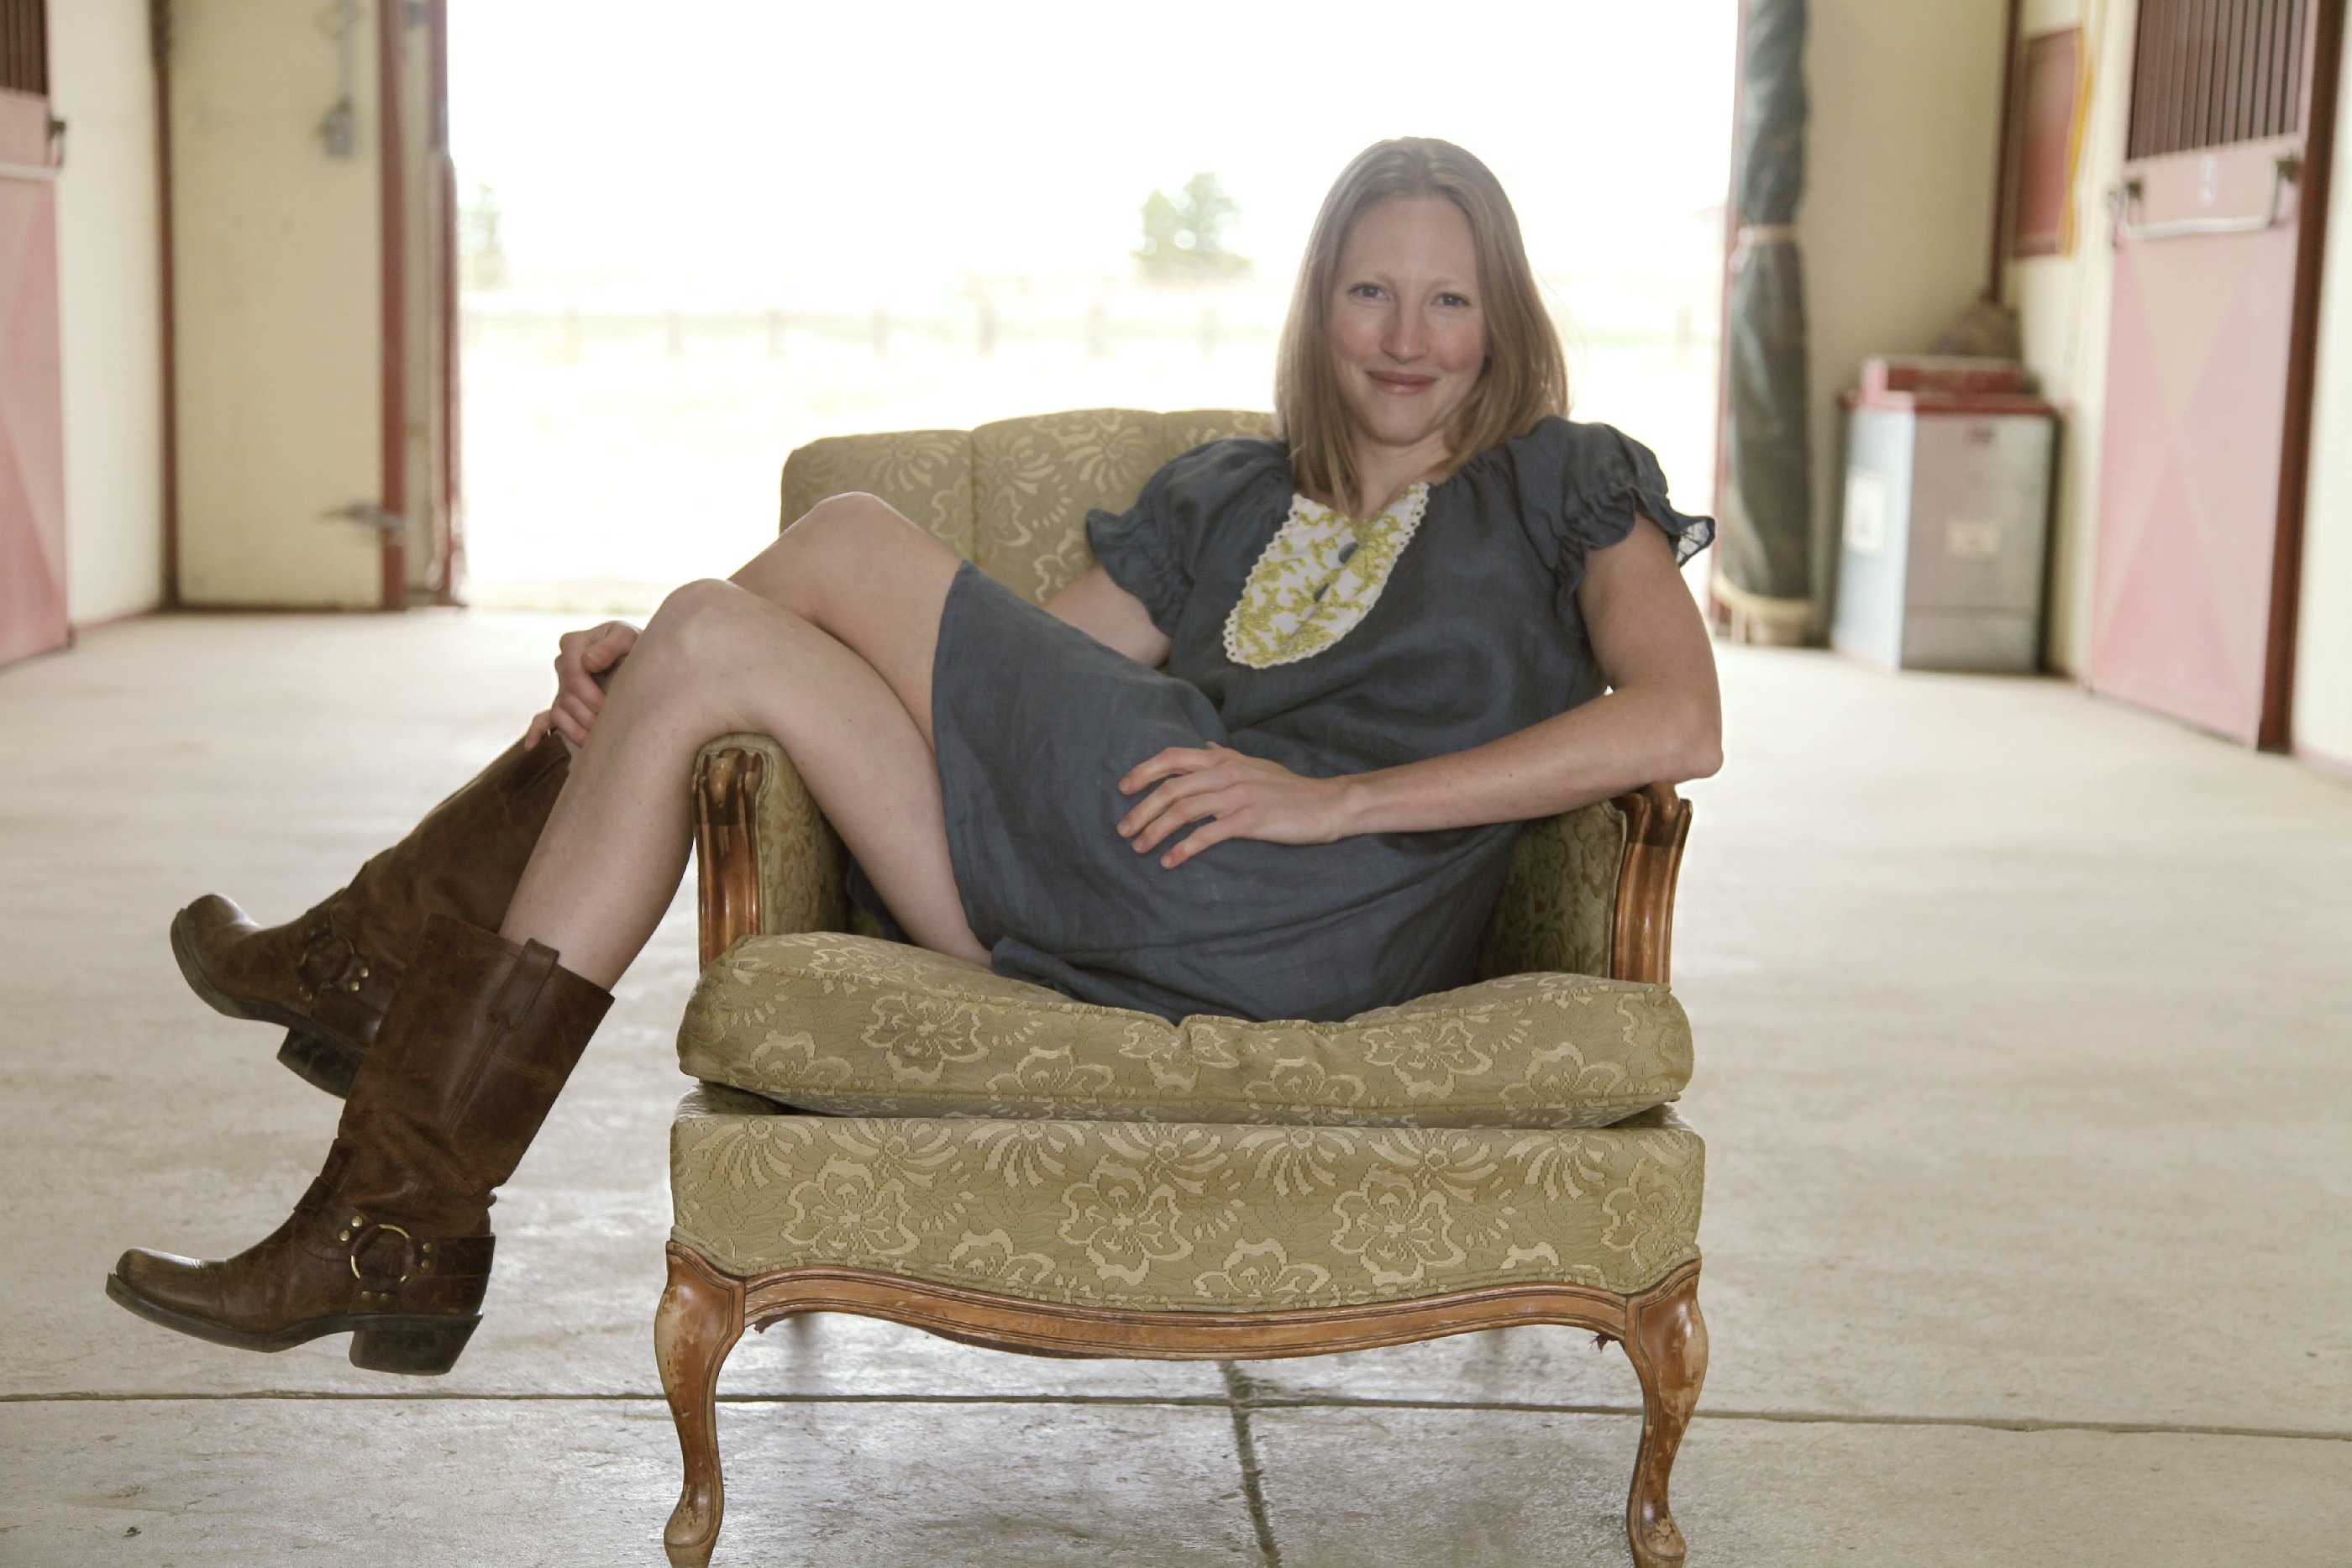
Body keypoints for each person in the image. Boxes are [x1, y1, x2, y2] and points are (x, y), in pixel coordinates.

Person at [107, 137, 1722, 1375]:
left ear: (1501, 319)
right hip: (1117, 881)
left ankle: (372, 955)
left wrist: (1333, 800)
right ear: (1321, 309)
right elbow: (1021, 674)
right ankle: (400, 1219)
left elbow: (1680, 720)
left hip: (1303, 913)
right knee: (710, 644)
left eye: (1450, 298)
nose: (1407, 337)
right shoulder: (1229, 495)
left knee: (848, 538)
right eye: (1371, 292)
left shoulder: (1565, 485)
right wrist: (668, 659)